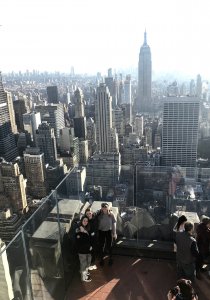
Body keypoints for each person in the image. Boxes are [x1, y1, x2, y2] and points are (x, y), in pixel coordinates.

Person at [76, 216, 92, 282]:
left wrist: (90, 246)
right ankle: (83, 278)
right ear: (81, 221)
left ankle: (82, 272)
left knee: (88, 262)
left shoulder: (87, 228)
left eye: (86, 221)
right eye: (84, 221)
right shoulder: (78, 229)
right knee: (83, 264)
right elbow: (78, 239)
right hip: (82, 250)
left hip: (88, 249)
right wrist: (82, 232)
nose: (85, 222)